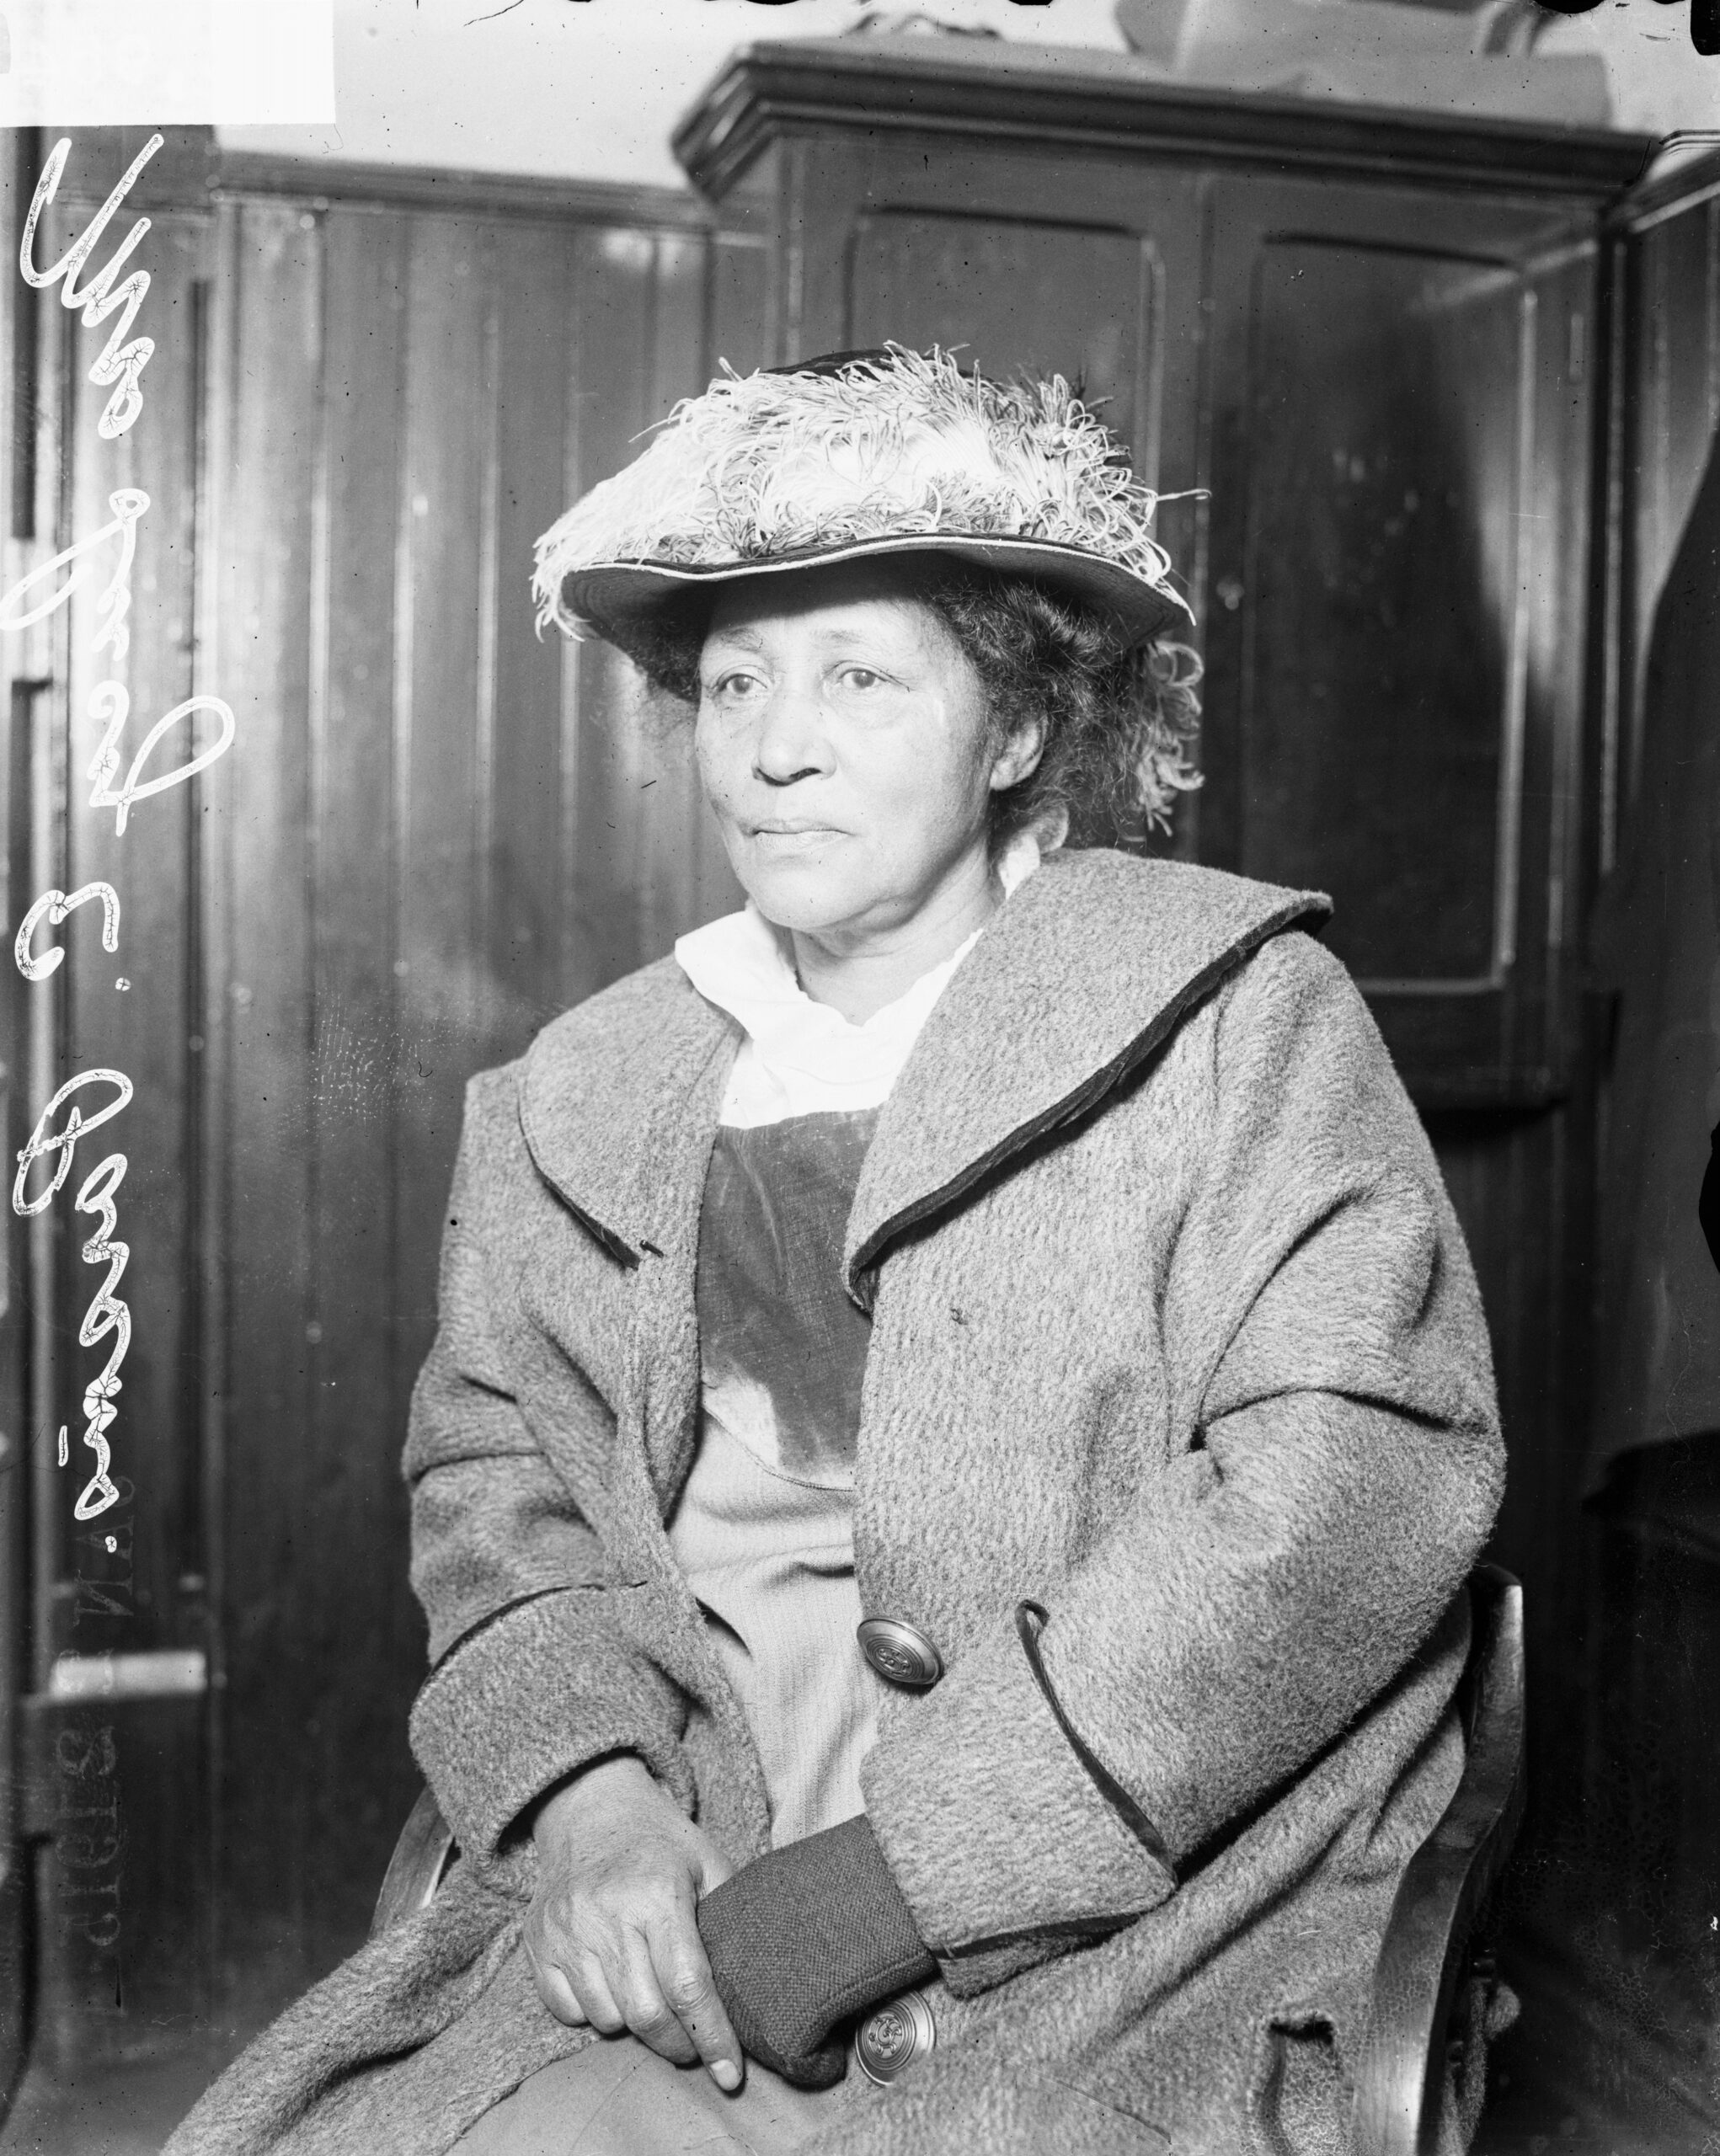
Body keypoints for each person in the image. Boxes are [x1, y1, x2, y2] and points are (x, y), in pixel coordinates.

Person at [167, 345, 1504, 2156]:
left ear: (1020, 729)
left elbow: (1351, 1469)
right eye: (733, 683)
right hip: (687, 1867)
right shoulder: (580, 1085)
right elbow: (500, 1482)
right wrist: (589, 1803)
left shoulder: (1244, 1018)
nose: (774, 745)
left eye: (859, 675)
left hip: (1136, 1920)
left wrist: (876, 1895)